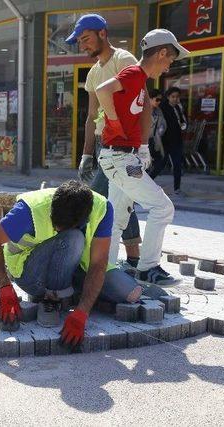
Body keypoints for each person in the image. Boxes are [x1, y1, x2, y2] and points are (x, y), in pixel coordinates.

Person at [0, 180, 143, 347]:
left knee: (130, 293)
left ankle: (75, 294)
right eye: (55, 224)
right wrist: (5, 287)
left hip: (75, 265)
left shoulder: (102, 209)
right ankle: (52, 299)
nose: (56, 229)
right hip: (31, 272)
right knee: (73, 239)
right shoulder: (28, 211)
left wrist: (82, 313)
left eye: (61, 227)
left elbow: (98, 264)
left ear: (83, 220)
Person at [95, 29, 189, 286]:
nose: (169, 64)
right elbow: (103, 90)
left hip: (121, 157)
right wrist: (113, 122)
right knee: (163, 207)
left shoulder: (140, 80)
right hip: (119, 159)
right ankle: (148, 268)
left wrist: (140, 147)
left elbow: (134, 117)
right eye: (169, 59)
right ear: (160, 53)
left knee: (116, 219)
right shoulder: (135, 74)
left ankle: (106, 272)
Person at [71, 13, 146, 272]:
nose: (84, 45)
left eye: (86, 39)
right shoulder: (94, 72)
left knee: (96, 199)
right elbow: (92, 116)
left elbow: (141, 102)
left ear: (102, 33)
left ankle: (91, 258)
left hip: (123, 144)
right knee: (121, 197)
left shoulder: (123, 60)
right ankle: (135, 258)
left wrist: (143, 145)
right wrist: (86, 154)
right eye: (80, 41)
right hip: (105, 144)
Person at [150, 87, 185, 194]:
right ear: (168, 97)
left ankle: (177, 188)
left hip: (176, 140)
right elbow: (159, 124)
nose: (175, 99)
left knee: (177, 164)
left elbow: (183, 121)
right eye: (172, 97)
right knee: (160, 165)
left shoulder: (178, 108)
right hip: (164, 141)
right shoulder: (162, 108)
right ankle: (146, 185)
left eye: (177, 97)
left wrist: (183, 125)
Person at [147, 89, 167, 173]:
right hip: (144, 141)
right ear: (150, 98)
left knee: (159, 163)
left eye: (160, 100)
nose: (159, 102)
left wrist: (159, 132)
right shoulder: (143, 110)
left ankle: (149, 181)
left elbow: (163, 125)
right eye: (157, 99)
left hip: (155, 140)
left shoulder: (158, 111)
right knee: (145, 165)